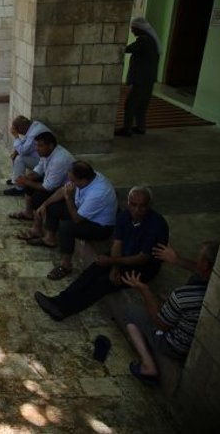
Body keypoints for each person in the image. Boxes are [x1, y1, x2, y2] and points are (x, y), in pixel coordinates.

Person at [34, 186, 169, 321]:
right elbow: (118, 243)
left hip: (143, 267)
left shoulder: (156, 225)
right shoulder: (125, 216)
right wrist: (114, 267)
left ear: (149, 205)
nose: (137, 210)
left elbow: (142, 258)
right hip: (123, 256)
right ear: (128, 203)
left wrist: (112, 262)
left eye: (142, 206)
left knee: (102, 284)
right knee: (92, 271)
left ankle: (64, 310)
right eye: (133, 205)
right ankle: (59, 300)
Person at [123, 240, 219, 385]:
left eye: (199, 257)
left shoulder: (183, 296)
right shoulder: (211, 288)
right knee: (194, 279)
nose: (196, 259)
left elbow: (160, 324)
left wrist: (144, 290)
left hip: (176, 346)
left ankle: (148, 366)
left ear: (205, 264)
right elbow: (201, 271)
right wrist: (176, 260)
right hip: (195, 339)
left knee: (131, 312)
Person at [20, 161, 117, 280]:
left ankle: (65, 265)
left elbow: (76, 219)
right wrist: (45, 204)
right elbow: (63, 190)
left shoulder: (97, 193)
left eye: (73, 180)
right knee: (52, 206)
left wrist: (68, 197)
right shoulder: (88, 177)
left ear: (83, 180)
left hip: (100, 226)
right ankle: (49, 239)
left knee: (66, 227)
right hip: (83, 211)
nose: (70, 183)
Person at [7, 131, 74, 222]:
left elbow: (48, 187)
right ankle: (28, 213)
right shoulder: (47, 153)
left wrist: (26, 181)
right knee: (28, 184)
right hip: (51, 181)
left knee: (37, 197)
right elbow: (39, 169)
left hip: (64, 189)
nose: (37, 149)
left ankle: (40, 225)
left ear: (50, 146)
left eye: (40, 146)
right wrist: (27, 178)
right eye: (37, 145)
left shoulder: (59, 160)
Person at [116, 17, 161, 137]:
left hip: (141, 79)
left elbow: (128, 49)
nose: (132, 31)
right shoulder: (151, 40)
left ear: (140, 29)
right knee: (142, 105)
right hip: (148, 78)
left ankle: (127, 129)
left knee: (130, 104)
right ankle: (141, 127)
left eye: (133, 28)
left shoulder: (144, 40)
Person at [3, 115, 51, 196]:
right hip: (38, 157)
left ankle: (19, 189)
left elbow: (23, 151)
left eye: (17, 130)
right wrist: (15, 151)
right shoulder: (33, 125)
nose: (17, 132)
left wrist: (16, 137)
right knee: (16, 154)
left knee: (20, 159)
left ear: (21, 128)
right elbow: (25, 142)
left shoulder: (34, 133)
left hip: (45, 161)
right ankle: (16, 180)